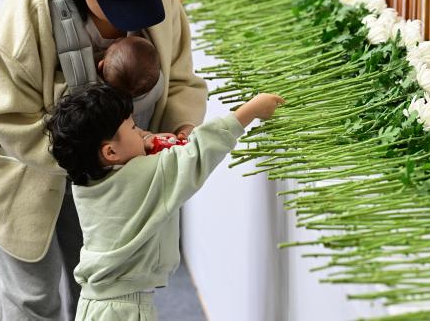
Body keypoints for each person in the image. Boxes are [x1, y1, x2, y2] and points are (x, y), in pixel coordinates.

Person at [0, 0, 207, 320]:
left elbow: (180, 78)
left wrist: (179, 131)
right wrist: (94, 156)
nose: (127, 21)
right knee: (30, 300)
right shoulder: (29, 9)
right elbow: (8, 115)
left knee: (102, 291)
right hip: (26, 164)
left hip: (113, 169)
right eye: (113, 7)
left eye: (137, 3)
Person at [45, 85, 284, 320]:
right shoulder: (144, 177)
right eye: (134, 128)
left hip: (94, 305)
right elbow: (197, 154)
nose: (143, 133)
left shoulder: (85, 184)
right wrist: (250, 111)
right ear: (110, 153)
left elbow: (129, 174)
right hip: (124, 311)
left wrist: (145, 144)